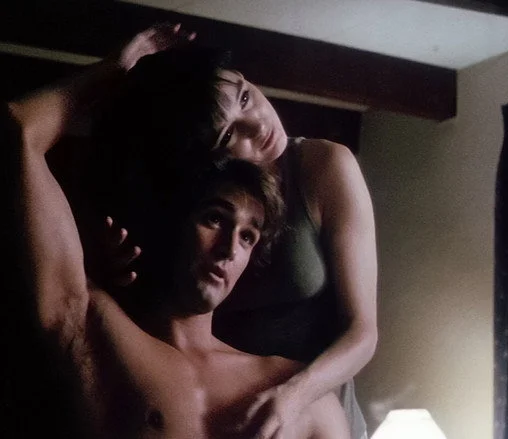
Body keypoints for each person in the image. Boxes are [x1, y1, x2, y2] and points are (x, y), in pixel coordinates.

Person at [3, 24, 349, 438]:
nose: (229, 249)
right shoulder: (95, 330)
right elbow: (21, 129)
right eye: (215, 219)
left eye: (248, 236)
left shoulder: (297, 396)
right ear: (173, 221)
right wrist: (113, 72)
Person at [95, 35, 378, 439]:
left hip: (314, 405)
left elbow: (363, 333)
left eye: (245, 98)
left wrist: (294, 395)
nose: (258, 126)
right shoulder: (196, 209)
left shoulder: (324, 166)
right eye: (229, 135)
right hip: (230, 405)